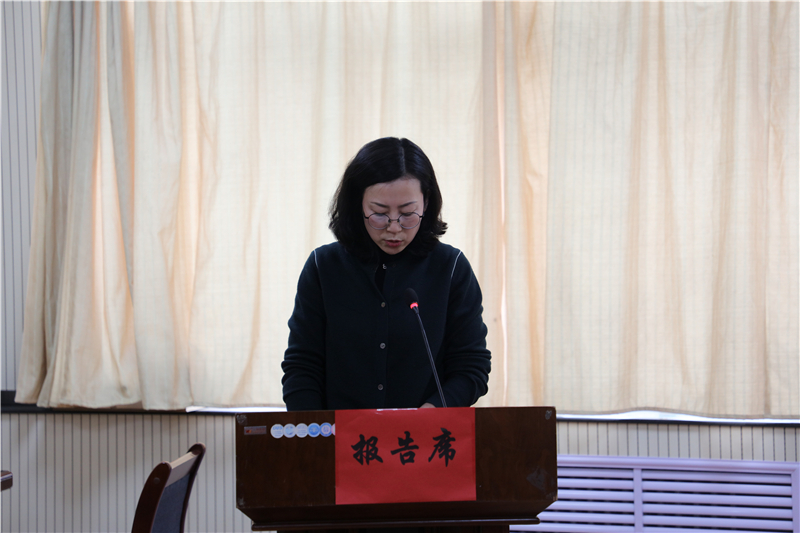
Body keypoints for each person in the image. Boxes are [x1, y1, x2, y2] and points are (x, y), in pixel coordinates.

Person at [281, 137, 491, 411]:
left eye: (407, 213)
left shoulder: (451, 269)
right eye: (379, 213)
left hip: (422, 434)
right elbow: (302, 365)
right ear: (358, 204)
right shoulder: (324, 267)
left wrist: (432, 413)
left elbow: (471, 367)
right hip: (339, 434)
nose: (394, 228)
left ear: (426, 203)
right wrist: (314, 429)